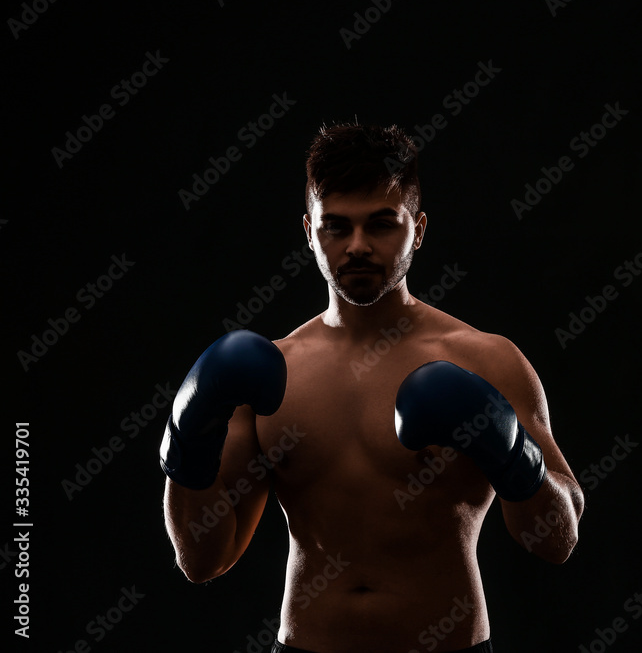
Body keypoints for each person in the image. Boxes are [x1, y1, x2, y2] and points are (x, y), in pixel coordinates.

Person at [161, 123, 585, 653]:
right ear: (309, 231)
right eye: (336, 227)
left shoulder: (486, 359)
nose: (357, 246)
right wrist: (187, 435)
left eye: (381, 224)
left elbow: (555, 540)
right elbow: (203, 560)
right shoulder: (270, 374)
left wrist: (512, 451)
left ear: (419, 228)